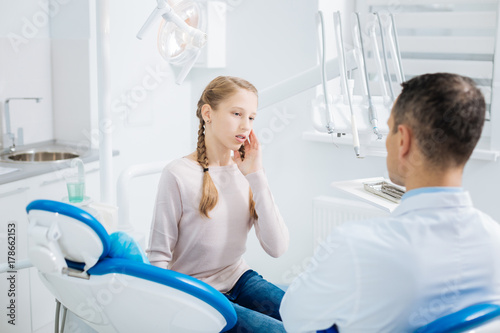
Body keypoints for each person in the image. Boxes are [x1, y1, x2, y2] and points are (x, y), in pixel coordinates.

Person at [279, 73, 500, 332]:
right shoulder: (493, 238)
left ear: (403, 141)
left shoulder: (356, 244)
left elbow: (293, 318)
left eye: (389, 128)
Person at [147, 76, 289, 332]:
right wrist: (166, 313)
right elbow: (158, 256)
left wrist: (256, 175)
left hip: (239, 278)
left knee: (314, 320)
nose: (245, 126)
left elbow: (277, 248)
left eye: (251, 117)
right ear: (207, 113)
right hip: (196, 292)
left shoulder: (247, 171)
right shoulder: (177, 174)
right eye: (237, 113)